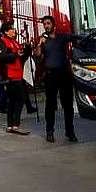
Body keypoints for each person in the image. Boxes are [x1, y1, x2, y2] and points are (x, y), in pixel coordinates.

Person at [34, 15, 77, 143]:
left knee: (68, 105)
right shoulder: (43, 40)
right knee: (50, 105)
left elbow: (74, 37)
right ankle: (49, 131)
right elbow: (37, 55)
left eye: (48, 23)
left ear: (53, 25)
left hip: (64, 73)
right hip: (50, 75)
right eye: (44, 24)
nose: (46, 26)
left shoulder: (61, 37)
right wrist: (40, 44)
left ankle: (70, 132)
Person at [0, 21, 31, 135]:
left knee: (13, 101)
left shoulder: (15, 42)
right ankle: (15, 125)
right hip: (10, 75)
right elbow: (1, 56)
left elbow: (21, 57)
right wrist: (15, 54)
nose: (14, 30)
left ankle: (11, 125)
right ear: (6, 31)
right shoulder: (3, 42)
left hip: (17, 74)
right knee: (20, 99)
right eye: (11, 29)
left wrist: (27, 49)